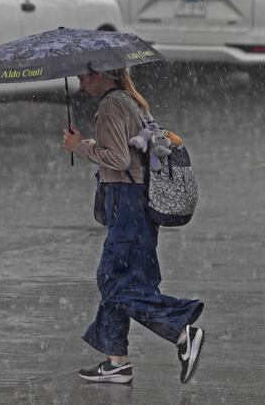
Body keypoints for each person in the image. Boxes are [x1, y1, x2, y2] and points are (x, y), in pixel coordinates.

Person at [62, 66, 205, 385]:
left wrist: (80, 147)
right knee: (129, 278)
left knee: (112, 279)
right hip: (140, 201)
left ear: (102, 74)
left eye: (85, 77)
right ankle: (117, 362)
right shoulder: (131, 101)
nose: (81, 85)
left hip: (125, 201)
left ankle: (181, 329)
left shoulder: (111, 105)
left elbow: (118, 160)